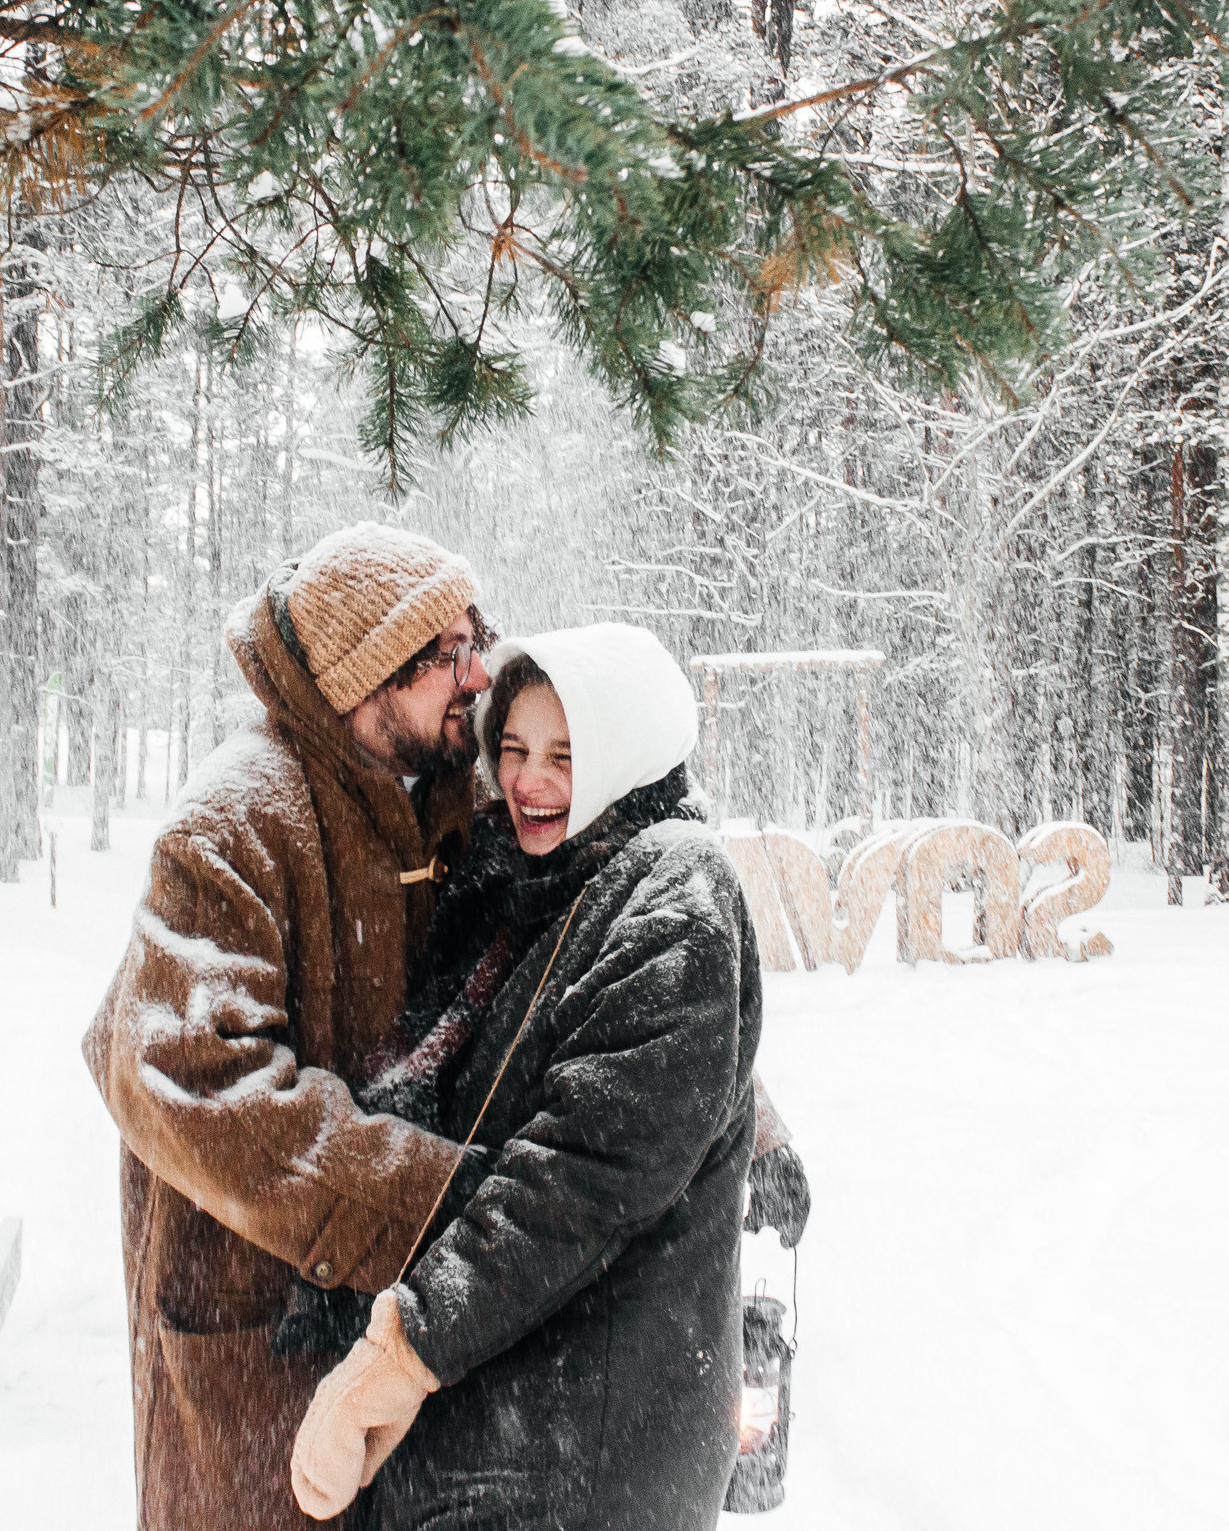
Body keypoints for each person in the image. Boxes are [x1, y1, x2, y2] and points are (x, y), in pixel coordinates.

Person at [288, 623, 765, 1531]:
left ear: (625, 751)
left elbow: (579, 1174)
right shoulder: (528, 887)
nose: (529, 782)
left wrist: (405, 1347)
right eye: (512, 749)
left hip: (590, 1446)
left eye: (564, 753)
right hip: (509, 1417)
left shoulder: (677, 894)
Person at [81, 521, 500, 1531]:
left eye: (478, 637)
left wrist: (739, 1121)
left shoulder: (461, 797)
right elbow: (189, 1077)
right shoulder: (233, 822)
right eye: (451, 654)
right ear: (371, 676)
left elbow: (581, 951)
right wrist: (431, 1203)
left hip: (396, 1348)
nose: (480, 673)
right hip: (253, 1340)